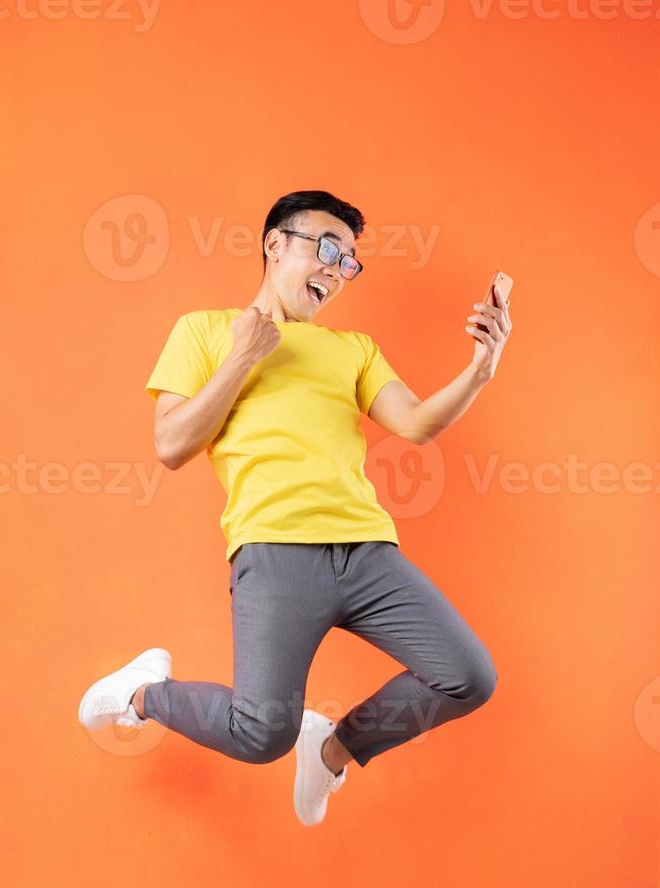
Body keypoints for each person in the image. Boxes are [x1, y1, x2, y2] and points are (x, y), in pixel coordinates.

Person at [78, 189, 513, 826]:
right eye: (327, 249)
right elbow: (171, 444)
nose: (337, 271)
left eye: (349, 263)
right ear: (274, 244)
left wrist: (482, 368)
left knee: (469, 675)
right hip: (274, 554)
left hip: (366, 554)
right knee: (259, 737)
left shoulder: (353, 349)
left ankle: (332, 747)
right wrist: (244, 357)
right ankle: (142, 693)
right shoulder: (203, 330)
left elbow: (416, 423)